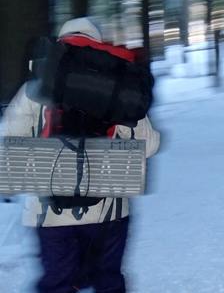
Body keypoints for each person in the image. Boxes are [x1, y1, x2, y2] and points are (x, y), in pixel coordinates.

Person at [0, 17, 160, 293]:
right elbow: (150, 144)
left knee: (58, 284)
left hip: (50, 213)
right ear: (97, 44)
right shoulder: (117, 85)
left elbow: (7, 142)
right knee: (108, 280)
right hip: (110, 210)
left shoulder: (35, 88)